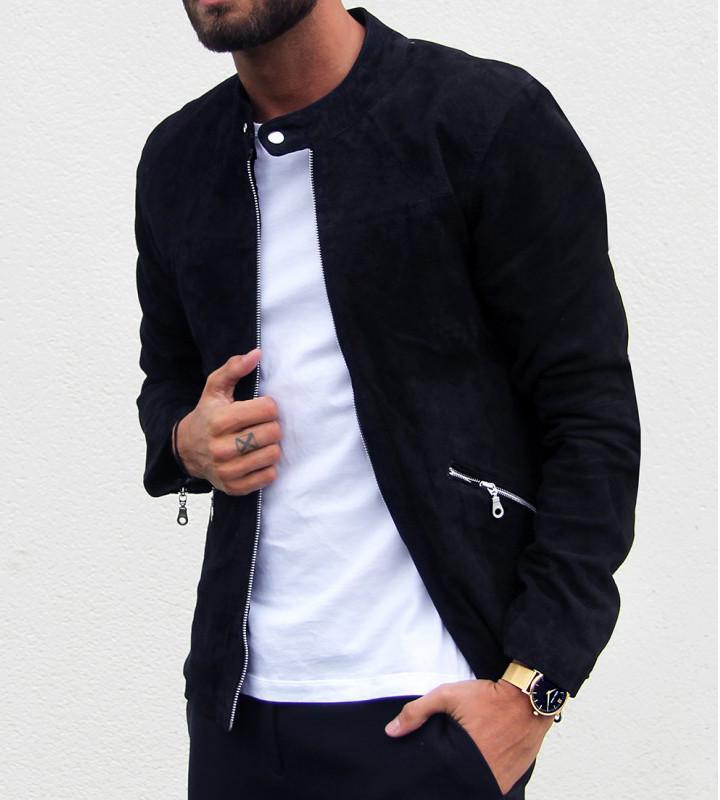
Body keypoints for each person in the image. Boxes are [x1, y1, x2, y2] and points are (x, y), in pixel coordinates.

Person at [133, 2, 641, 798]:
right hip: (238, 714)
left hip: (428, 709)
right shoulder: (179, 160)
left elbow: (591, 417)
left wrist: (536, 687)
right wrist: (184, 441)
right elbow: (167, 380)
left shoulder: (483, 120)